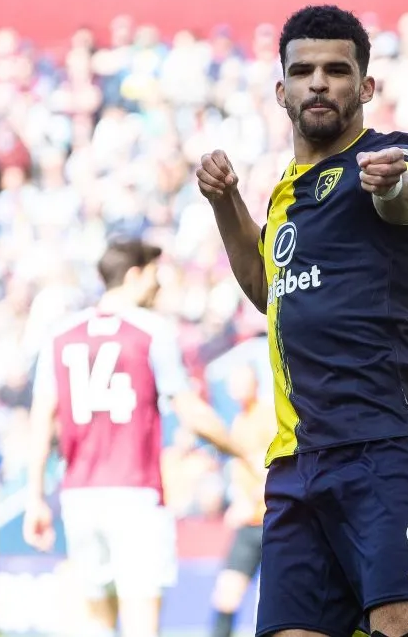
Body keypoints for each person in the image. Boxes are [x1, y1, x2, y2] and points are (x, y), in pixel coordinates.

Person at [197, 4, 408, 637]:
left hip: (387, 446)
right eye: (304, 70)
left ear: (365, 87)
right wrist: (226, 203)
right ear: (282, 90)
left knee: (405, 627)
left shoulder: (394, 155)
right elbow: (267, 287)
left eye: (337, 70)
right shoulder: (286, 191)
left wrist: (392, 186)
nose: (319, 82)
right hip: (296, 461)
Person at [24, 238, 245, 637]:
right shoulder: (150, 331)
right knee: (142, 623)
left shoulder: (60, 335)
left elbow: (41, 420)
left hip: (79, 496)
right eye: (154, 275)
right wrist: (244, 452)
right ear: (134, 275)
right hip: (135, 495)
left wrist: (35, 496)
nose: (159, 286)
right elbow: (191, 413)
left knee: (97, 625)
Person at [210, 365, 275, 637]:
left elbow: (275, 467)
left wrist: (250, 500)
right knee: (226, 595)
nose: (235, 388)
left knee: (271, 604)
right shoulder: (239, 420)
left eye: (241, 381)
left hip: (270, 521)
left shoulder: (266, 415)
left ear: (254, 383)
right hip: (248, 525)